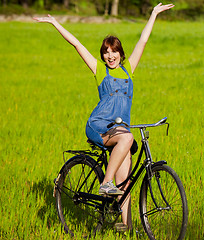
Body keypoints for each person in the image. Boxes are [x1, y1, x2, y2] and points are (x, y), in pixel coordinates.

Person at [33, 2, 174, 231]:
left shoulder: (129, 69)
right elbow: (77, 44)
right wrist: (55, 23)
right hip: (99, 125)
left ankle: (124, 228)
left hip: (119, 131)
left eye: (113, 51)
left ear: (120, 53)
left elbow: (143, 41)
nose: (110, 55)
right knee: (127, 139)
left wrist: (154, 14)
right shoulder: (100, 71)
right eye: (106, 52)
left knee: (125, 183)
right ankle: (105, 183)